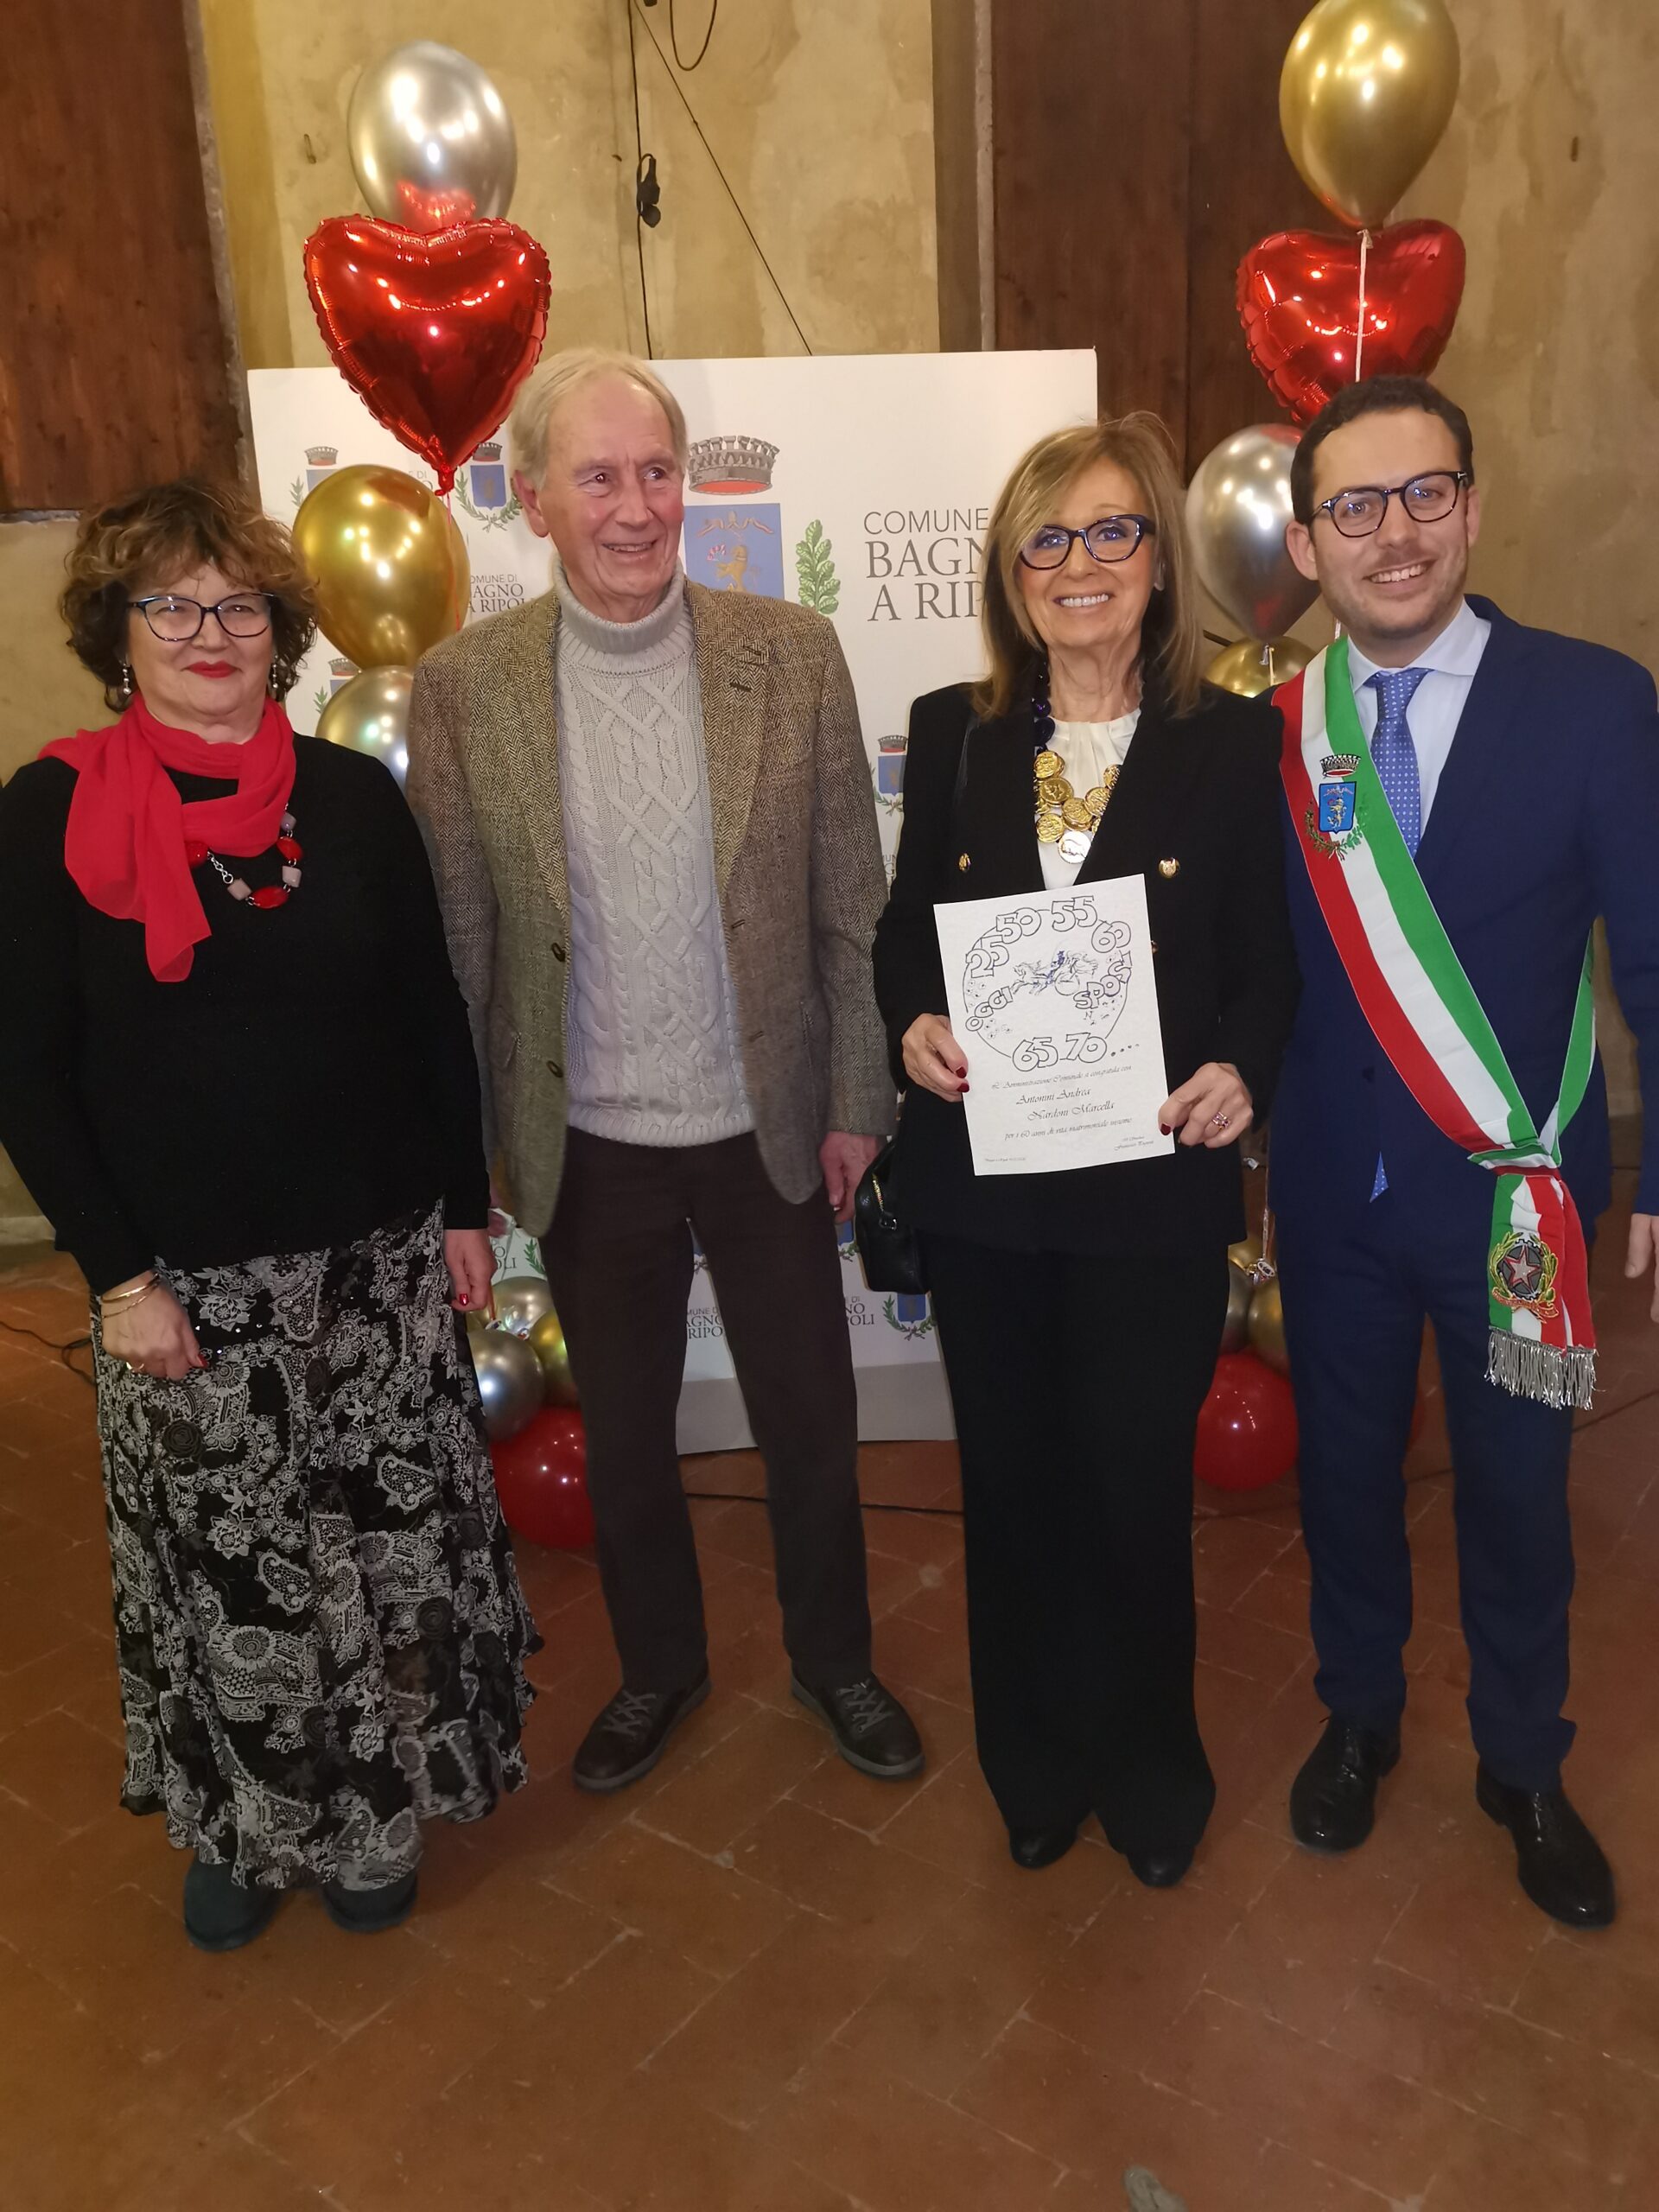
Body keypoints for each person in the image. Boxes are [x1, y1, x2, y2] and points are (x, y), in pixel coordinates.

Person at [0, 480, 537, 1952]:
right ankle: (247, 1831)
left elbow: (430, 1017)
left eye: (238, 604)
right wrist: (117, 1278)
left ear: (279, 630)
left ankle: (376, 1823)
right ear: (116, 631)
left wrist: (462, 1205)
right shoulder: (48, 812)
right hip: (185, 1289)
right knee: (235, 1574)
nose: (208, 633)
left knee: (385, 1558)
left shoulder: (350, 800)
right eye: (169, 605)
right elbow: (25, 1070)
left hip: (377, 1266)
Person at [406, 347, 923, 1793]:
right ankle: (659, 1671)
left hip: (767, 1126)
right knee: (627, 1436)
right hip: (587, 1140)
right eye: (600, 478)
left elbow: (852, 905)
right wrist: (462, 1158)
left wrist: (856, 1103)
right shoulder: (464, 689)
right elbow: (459, 941)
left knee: (811, 1422)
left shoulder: (792, 654)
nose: (637, 508)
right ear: (534, 502)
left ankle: (836, 1660)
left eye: (656, 472)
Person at [871, 416, 1300, 1884]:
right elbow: (904, 930)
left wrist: (1244, 1067)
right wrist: (915, 1021)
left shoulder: (1232, 743)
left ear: (1158, 559)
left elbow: (1268, 962)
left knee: (1131, 1491)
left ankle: (1150, 1772)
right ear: (1011, 574)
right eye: (1046, 539)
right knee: (1012, 1490)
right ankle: (1037, 1765)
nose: (1080, 563)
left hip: (1149, 1196)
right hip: (988, 1197)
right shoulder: (955, 731)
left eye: (1113, 530)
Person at [1272, 374, 1659, 1929]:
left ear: (1474, 509)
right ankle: (1359, 1715)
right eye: (1356, 506)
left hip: (1521, 1207)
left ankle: (1522, 1761)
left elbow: (1653, 949)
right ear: (1309, 545)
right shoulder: (1267, 732)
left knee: (1518, 1491)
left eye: (1425, 493)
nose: (1396, 534)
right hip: (1332, 1200)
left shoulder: (1595, 700)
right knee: (1342, 1478)